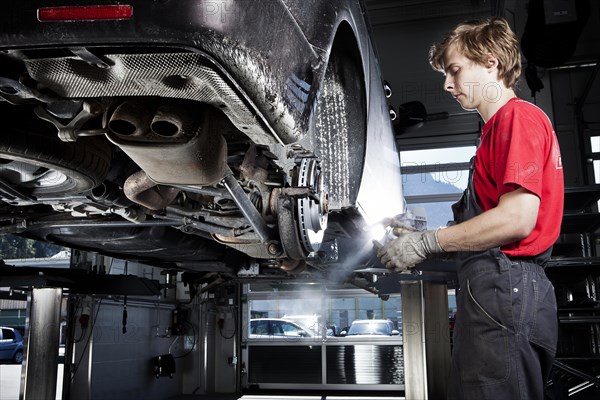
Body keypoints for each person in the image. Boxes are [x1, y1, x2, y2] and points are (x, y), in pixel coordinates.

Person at [377, 17, 563, 399]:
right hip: (493, 290)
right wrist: (420, 242)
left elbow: (517, 219)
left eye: (455, 70)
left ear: (491, 62)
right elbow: (482, 235)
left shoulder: (518, 118)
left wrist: (428, 243)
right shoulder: (493, 135)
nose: (447, 84)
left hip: (506, 290)